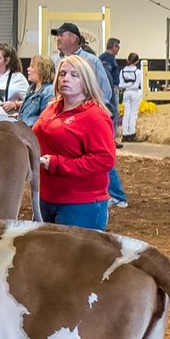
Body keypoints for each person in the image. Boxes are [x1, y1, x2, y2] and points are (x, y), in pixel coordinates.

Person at [32, 54, 118, 229]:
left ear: (86, 81)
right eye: (62, 74)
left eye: (74, 75)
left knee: (76, 256)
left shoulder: (94, 116)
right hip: (47, 197)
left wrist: (58, 164)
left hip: (80, 202)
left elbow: (105, 159)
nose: (66, 79)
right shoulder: (52, 108)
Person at [52, 22, 126, 208]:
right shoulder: (56, 60)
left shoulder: (91, 61)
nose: (58, 38)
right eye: (57, 35)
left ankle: (116, 195)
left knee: (98, 155)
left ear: (74, 38)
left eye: (61, 34)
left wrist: (88, 110)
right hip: (65, 116)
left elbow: (104, 90)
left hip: (87, 117)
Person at [18, 55, 55, 127]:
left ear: (42, 70)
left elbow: (45, 119)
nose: (28, 69)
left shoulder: (49, 91)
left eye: (32, 67)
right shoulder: (31, 89)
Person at [119, 52, 146, 141]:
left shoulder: (122, 71)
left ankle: (124, 134)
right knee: (133, 113)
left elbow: (121, 84)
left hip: (126, 93)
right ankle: (131, 133)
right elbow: (136, 85)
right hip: (135, 92)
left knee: (126, 113)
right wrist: (131, 84)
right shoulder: (137, 72)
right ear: (137, 61)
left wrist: (127, 85)